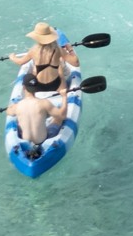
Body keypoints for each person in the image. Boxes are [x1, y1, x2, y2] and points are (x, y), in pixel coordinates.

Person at [6, 23, 79, 157]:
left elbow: (20, 62)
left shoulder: (34, 50)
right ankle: (62, 95)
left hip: (37, 86)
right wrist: (70, 49)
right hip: (55, 85)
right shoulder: (57, 50)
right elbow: (76, 63)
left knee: (34, 70)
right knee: (61, 73)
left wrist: (12, 57)